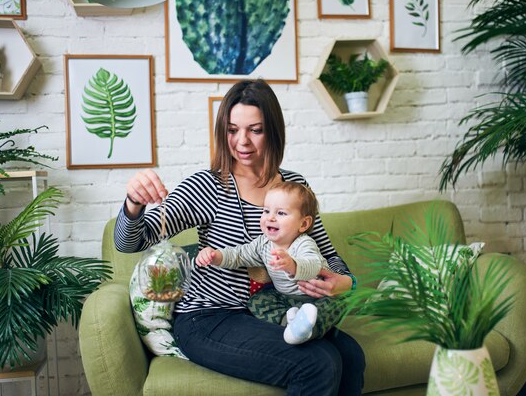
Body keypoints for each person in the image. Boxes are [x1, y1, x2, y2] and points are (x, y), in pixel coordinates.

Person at [114, 79, 365, 396]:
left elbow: (328, 257)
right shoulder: (207, 187)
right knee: (317, 362)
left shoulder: (294, 187)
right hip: (210, 317)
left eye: (255, 130)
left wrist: (345, 282)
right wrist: (133, 203)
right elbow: (130, 242)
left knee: (352, 356)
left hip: (272, 310)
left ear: (272, 130)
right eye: (232, 130)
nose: (242, 141)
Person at [196, 181, 346, 345]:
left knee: (338, 303)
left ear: (303, 224)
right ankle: (289, 323)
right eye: (266, 211)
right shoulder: (263, 243)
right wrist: (215, 255)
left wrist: (292, 265)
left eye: (281, 213)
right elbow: (239, 254)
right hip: (285, 298)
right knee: (258, 300)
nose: (271, 217)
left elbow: (313, 265)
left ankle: (309, 330)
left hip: (316, 299)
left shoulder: (304, 243)